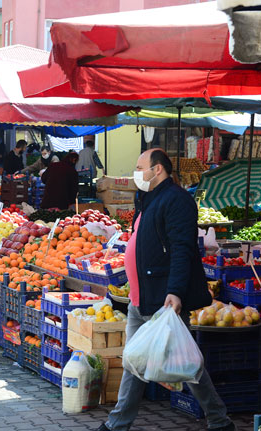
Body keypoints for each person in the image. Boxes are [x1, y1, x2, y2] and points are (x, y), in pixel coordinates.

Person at [98, 149, 234, 431]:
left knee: (187, 365)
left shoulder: (177, 200)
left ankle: (220, 421)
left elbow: (183, 250)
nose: (136, 172)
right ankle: (117, 424)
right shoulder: (147, 199)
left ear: (157, 169)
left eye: (140, 167)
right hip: (140, 297)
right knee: (134, 363)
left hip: (162, 298)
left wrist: (174, 291)